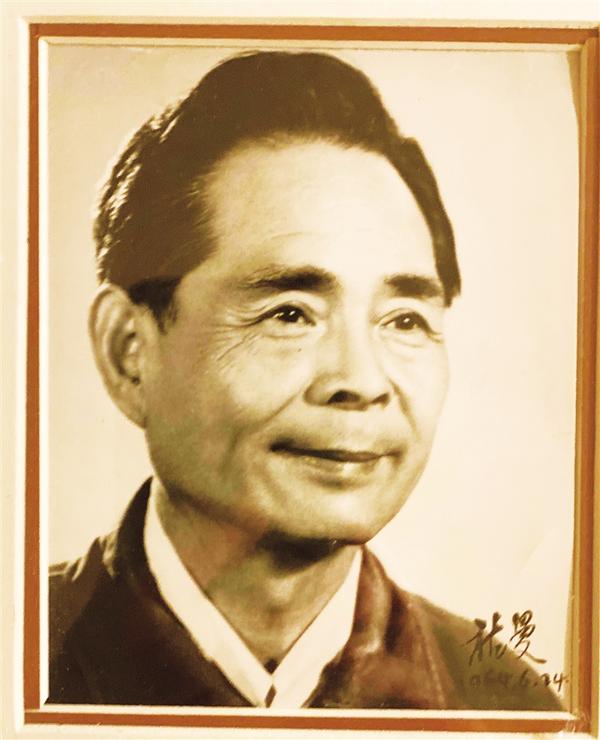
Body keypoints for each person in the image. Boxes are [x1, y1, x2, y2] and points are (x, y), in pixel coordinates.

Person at [49, 50, 560, 710]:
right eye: (290, 314)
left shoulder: (509, 707)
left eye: (404, 320)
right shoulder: (23, 652)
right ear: (129, 352)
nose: (362, 382)